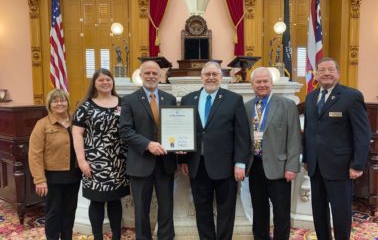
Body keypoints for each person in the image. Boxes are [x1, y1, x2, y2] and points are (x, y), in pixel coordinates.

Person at [180, 61, 251, 240]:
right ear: (201, 77)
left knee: (226, 211)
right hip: (197, 165)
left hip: (226, 167)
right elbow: (183, 132)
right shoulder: (189, 99)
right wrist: (182, 160)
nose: (211, 78)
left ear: (221, 77)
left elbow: (242, 135)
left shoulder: (233, 99)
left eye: (215, 74)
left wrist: (240, 162)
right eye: (207, 74)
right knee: (202, 210)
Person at [303, 57, 371, 240]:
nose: (326, 73)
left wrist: (357, 164)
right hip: (315, 166)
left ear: (338, 73)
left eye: (330, 69)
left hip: (340, 166)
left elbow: (363, 133)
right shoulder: (310, 97)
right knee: (319, 211)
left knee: (341, 212)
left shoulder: (351, 96)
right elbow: (309, 130)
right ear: (316, 75)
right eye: (322, 70)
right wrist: (307, 159)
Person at [119, 60, 177, 240]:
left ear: (160, 76)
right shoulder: (129, 100)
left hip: (165, 163)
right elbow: (125, 131)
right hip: (140, 163)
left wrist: (180, 146)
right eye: (147, 73)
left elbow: (175, 128)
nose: (151, 76)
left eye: (155, 73)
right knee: (141, 210)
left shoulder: (170, 99)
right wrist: (147, 144)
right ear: (141, 75)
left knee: (166, 208)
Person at [72, 69, 130, 240]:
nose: (105, 83)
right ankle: (98, 236)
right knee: (96, 201)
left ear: (113, 82)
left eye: (108, 80)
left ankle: (117, 236)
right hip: (94, 162)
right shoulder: (85, 106)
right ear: (94, 84)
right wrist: (81, 161)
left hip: (119, 162)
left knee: (115, 199)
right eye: (101, 80)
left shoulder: (123, 104)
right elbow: (77, 134)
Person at [245, 67, 301, 240]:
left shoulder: (287, 105)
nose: (262, 85)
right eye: (258, 82)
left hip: (280, 168)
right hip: (255, 166)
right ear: (252, 85)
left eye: (265, 81)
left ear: (271, 83)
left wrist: (291, 167)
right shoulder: (246, 107)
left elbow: (294, 138)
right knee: (259, 211)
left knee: (281, 213)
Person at [29, 89, 81, 240]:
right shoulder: (42, 125)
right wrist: (39, 179)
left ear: (67, 102)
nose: (59, 103)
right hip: (52, 177)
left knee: (70, 211)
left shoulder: (75, 121)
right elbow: (34, 154)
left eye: (62, 100)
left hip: (73, 175)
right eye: (55, 101)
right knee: (53, 212)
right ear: (49, 104)